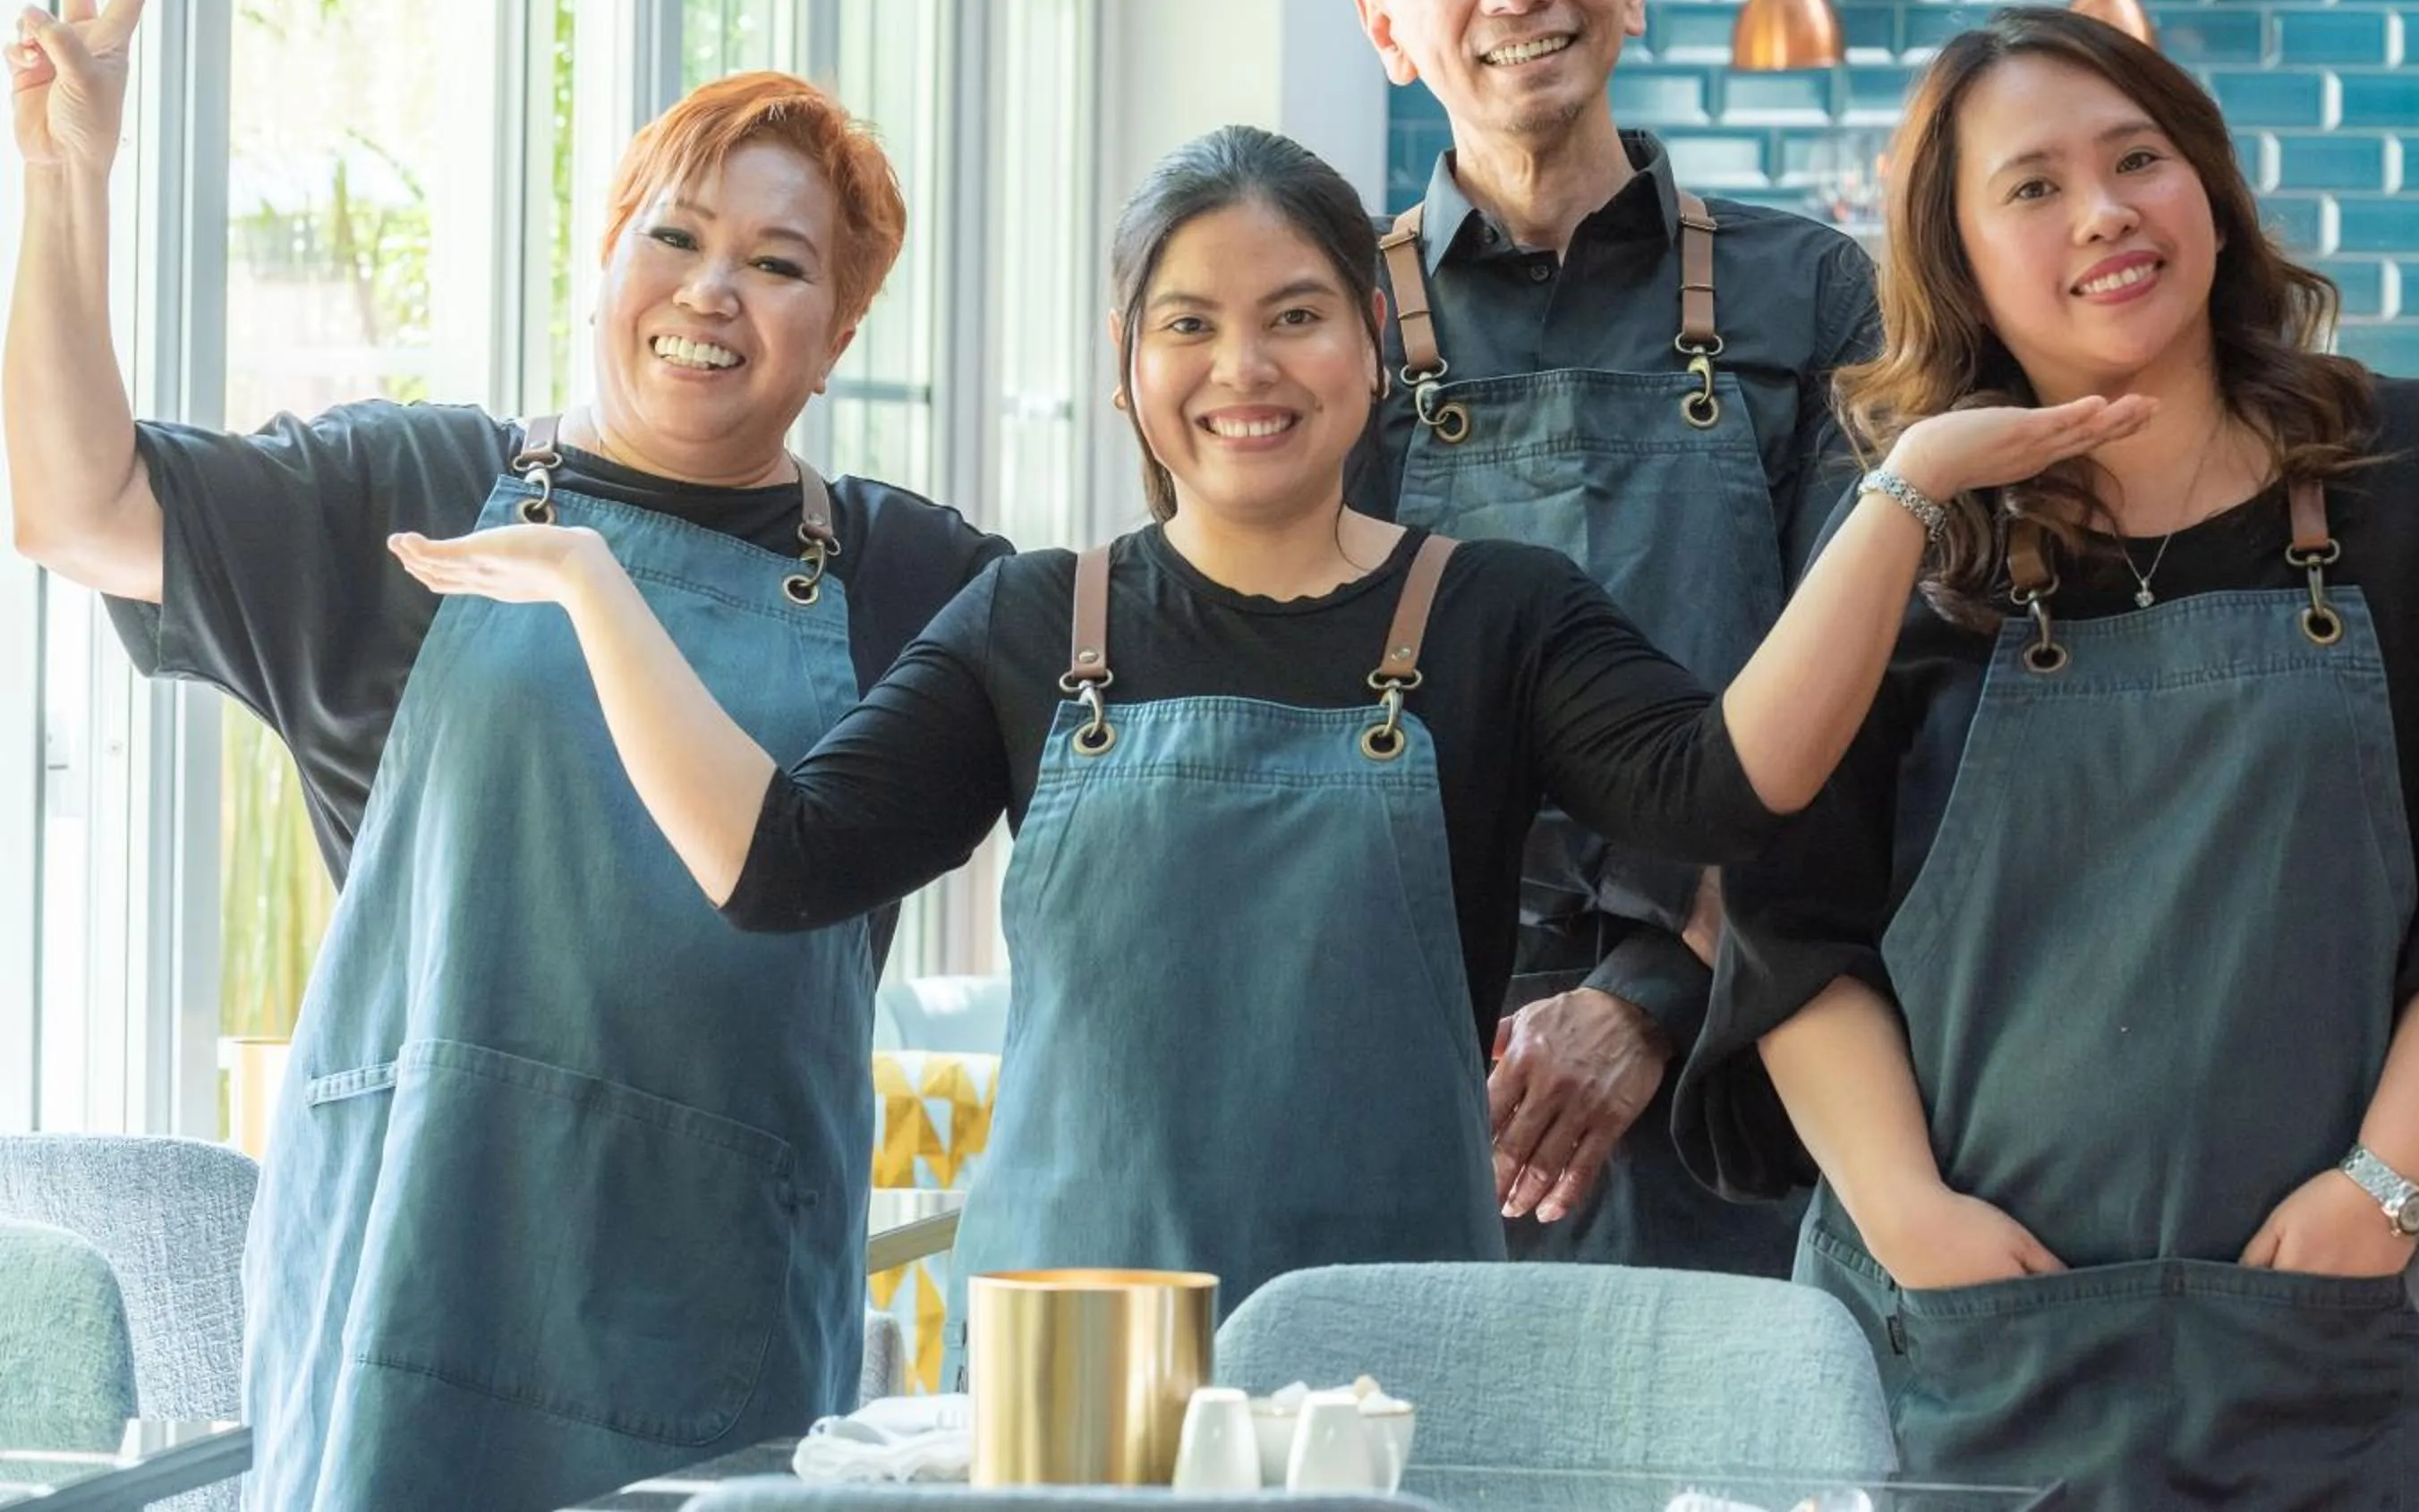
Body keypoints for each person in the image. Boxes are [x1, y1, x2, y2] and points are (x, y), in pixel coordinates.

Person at [391, 123, 2147, 1355]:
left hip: (1394, 1359)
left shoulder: (1495, 615)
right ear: (1129, 365)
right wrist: (595, 584)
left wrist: (1902, 494)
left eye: (1295, 313)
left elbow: (1736, 781)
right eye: (1191, 322)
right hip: (1074, 1369)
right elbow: (776, 864)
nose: (1245, 366)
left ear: (1373, 352)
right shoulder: (1034, 622)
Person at [4, 0, 1009, 1512]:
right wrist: (67, 179)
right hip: (401, 1291)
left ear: (838, 334)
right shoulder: (406, 493)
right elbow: (74, 507)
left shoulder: (915, 578)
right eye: (675, 233)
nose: (713, 288)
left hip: (719, 1324)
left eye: (780, 262)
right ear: (606, 258)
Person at [1671, 8, 2419, 1509]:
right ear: (1958, 257)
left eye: (2139, 159)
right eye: (2034, 185)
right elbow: (1789, 924)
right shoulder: (1904, 532)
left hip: (2307, 1341)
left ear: (2211, 187)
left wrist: (2384, 1193)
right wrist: (1909, 1212)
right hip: (1955, 1347)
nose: (2105, 211)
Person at [1342, 0, 1881, 1271]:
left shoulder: (1813, 290)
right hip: (1416, 1063)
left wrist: (1649, 993)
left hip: (1752, 1051)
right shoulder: (1325, 325)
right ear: (1388, 31)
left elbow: (1879, 698)